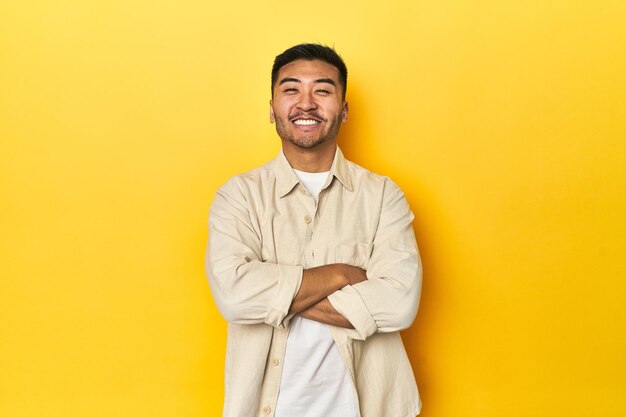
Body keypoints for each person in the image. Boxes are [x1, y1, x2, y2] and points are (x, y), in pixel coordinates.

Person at [206, 43, 422, 417]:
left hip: (369, 408)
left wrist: (276, 297)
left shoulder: (383, 196)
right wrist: (341, 275)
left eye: (322, 90)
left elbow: (400, 304)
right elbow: (235, 296)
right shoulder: (239, 196)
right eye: (291, 89)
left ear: (344, 109)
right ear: (272, 109)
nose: (306, 103)